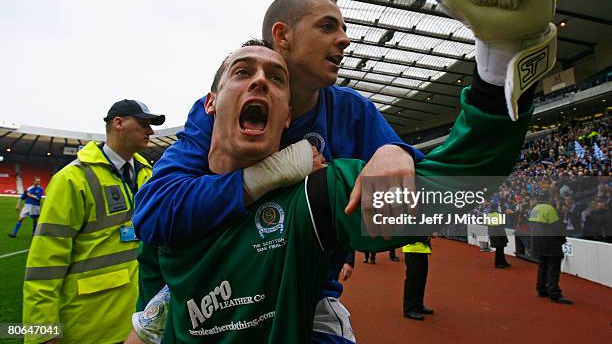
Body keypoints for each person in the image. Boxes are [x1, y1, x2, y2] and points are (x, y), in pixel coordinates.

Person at [132, 33, 535, 342]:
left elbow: (451, 192)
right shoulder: (168, 204)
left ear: (288, 115)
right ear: (210, 103)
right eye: (243, 72)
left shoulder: (318, 194)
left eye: (276, 78)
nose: (259, 82)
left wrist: (497, 66)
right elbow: (153, 314)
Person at [22, 100, 165, 344]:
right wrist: (41, 332)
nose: (150, 131)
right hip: (89, 326)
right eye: (143, 124)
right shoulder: (72, 179)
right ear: (118, 123)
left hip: (140, 322)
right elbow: (44, 264)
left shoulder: (148, 175)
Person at [529, 187, 573, 304]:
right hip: (550, 243)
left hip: (537, 242)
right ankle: (554, 293)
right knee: (553, 268)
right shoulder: (550, 209)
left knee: (542, 266)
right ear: (549, 198)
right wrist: (562, 239)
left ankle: (541, 289)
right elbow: (557, 228)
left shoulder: (534, 208)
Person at [402, 237, 433, 321]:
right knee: (413, 281)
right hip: (412, 250)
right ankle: (409, 309)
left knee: (421, 280)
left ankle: (418, 305)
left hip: (422, 249)